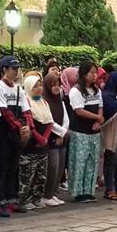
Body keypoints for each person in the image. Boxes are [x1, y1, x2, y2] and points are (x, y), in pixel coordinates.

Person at [0, 56, 33, 217]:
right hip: (2, 130)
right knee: (1, 166)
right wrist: (19, 126)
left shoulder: (18, 89)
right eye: (13, 69)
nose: (16, 72)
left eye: (17, 69)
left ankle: (12, 198)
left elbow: (26, 110)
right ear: (4, 70)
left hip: (15, 132)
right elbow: (4, 111)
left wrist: (27, 126)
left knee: (13, 167)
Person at [67, 61, 103, 203]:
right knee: (79, 161)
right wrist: (97, 117)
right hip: (80, 131)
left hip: (94, 132)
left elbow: (100, 106)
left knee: (92, 161)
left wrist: (98, 121)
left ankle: (89, 190)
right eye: (91, 72)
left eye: (96, 73)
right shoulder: (76, 90)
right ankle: (78, 192)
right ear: (83, 73)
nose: (95, 75)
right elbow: (79, 110)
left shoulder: (96, 90)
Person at [18, 76, 56, 210]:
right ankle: (24, 199)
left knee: (41, 175)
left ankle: (37, 197)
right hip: (31, 145)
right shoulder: (26, 102)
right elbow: (29, 123)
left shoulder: (44, 102)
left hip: (43, 145)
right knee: (27, 175)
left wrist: (45, 138)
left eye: (40, 86)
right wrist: (38, 137)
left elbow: (50, 121)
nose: (39, 89)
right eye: (35, 86)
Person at [41, 74, 69, 206]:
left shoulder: (60, 101)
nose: (57, 87)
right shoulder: (44, 101)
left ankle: (53, 193)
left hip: (61, 138)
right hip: (51, 138)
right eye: (53, 85)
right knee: (53, 166)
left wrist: (62, 134)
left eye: (58, 84)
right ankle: (46, 194)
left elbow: (65, 118)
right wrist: (61, 133)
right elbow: (49, 120)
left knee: (60, 167)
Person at [100, 71, 117, 201]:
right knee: (112, 161)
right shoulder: (108, 95)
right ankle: (110, 189)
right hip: (114, 134)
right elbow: (114, 109)